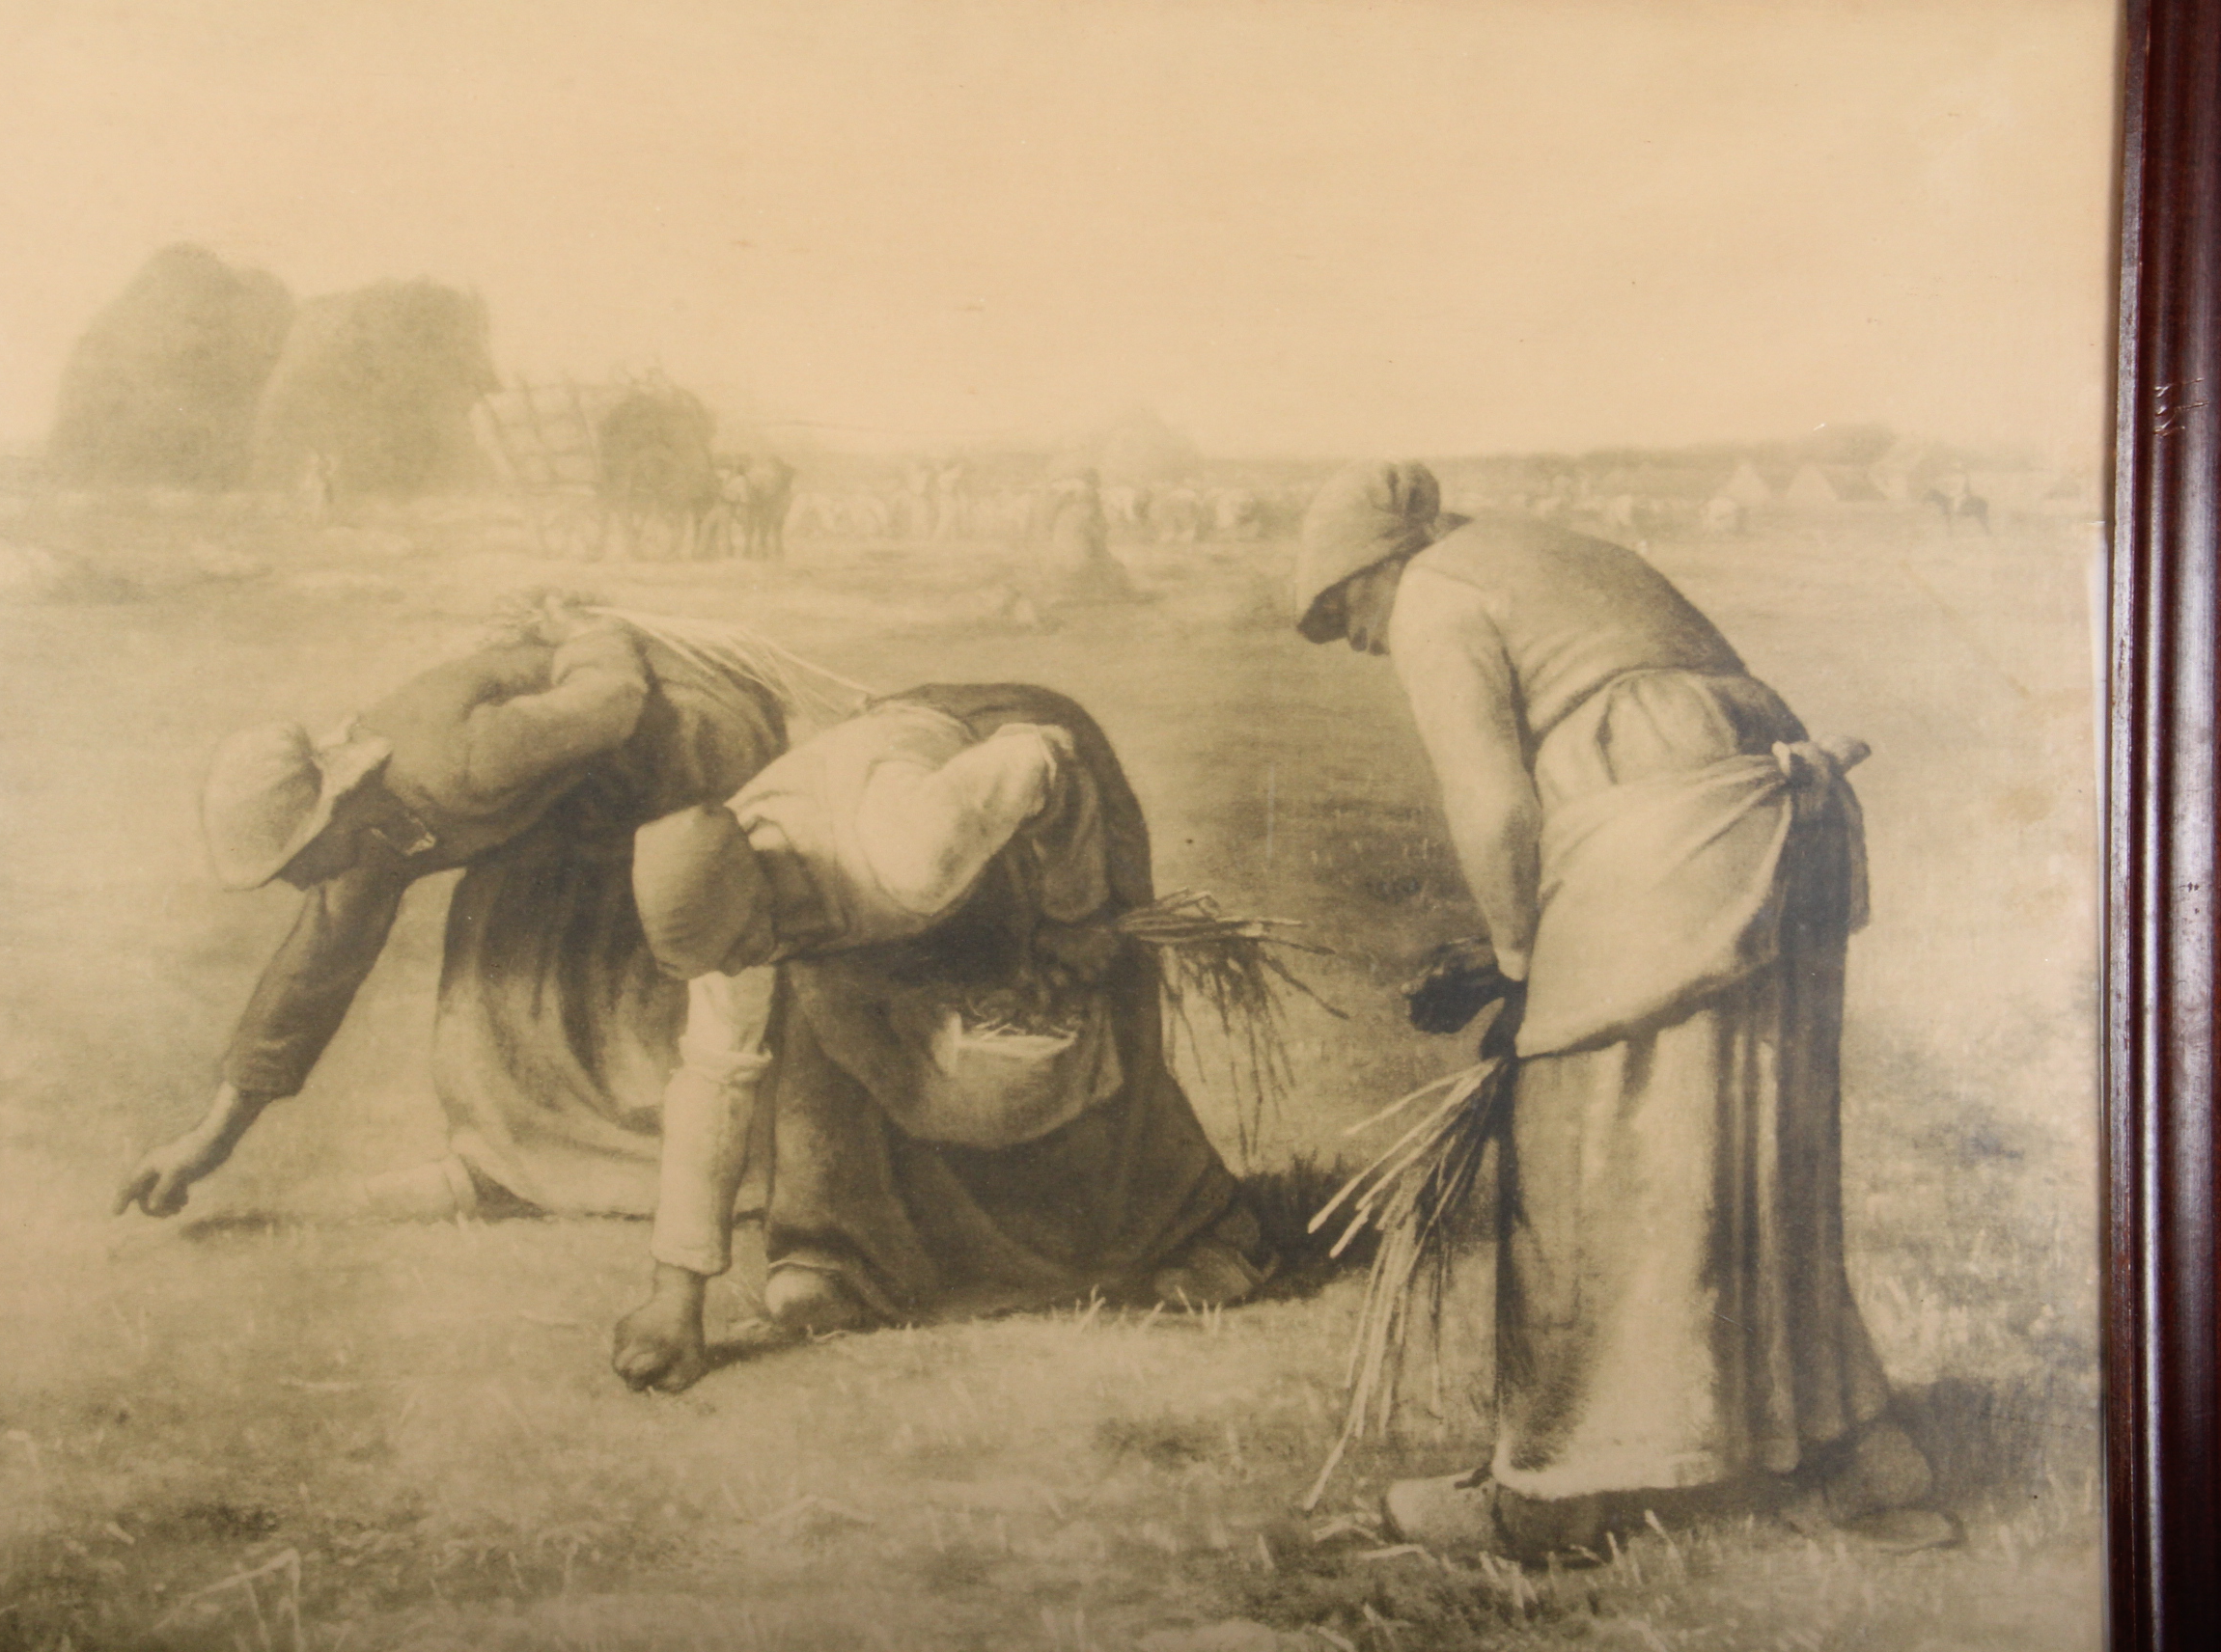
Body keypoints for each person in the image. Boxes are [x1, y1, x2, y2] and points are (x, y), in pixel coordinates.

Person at [1293, 460, 1935, 1554]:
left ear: (1381, 567)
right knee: (1753, 1142)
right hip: (1782, 821)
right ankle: (1853, 1460)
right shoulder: (1548, 551)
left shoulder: (1439, 591)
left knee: (1580, 1154)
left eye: (1341, 609)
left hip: (1663, 825)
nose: (1350, 638)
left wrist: (1516, 958)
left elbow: (1493, 805)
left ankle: (1555, 1497)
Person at [609, 683, 1270, 1393]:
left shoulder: (904, 849)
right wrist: (676, 1296)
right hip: (920, 827)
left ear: (763, 886)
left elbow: (1044, 759)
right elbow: (716, 1076)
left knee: (1087, 1014)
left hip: (1029, 788)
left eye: (741, 946)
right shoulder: (725, 910)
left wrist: (1073, 918)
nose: (735, 968)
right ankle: (847, 1262)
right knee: (833, 1028)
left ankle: (1204, 1228)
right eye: (723, 960)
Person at [115, 604, 789, 1222]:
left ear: (331, 811)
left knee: (659, 947)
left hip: (683, 748)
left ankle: (733, 1171)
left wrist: (587, 632)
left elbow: (609, 704)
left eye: (293, 860)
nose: (294, 881)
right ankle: (518, 1167)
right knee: (489, 974)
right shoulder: (366, 838)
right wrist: (208, 1142)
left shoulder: (457, 762)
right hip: (578, 806)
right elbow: (311, 974)